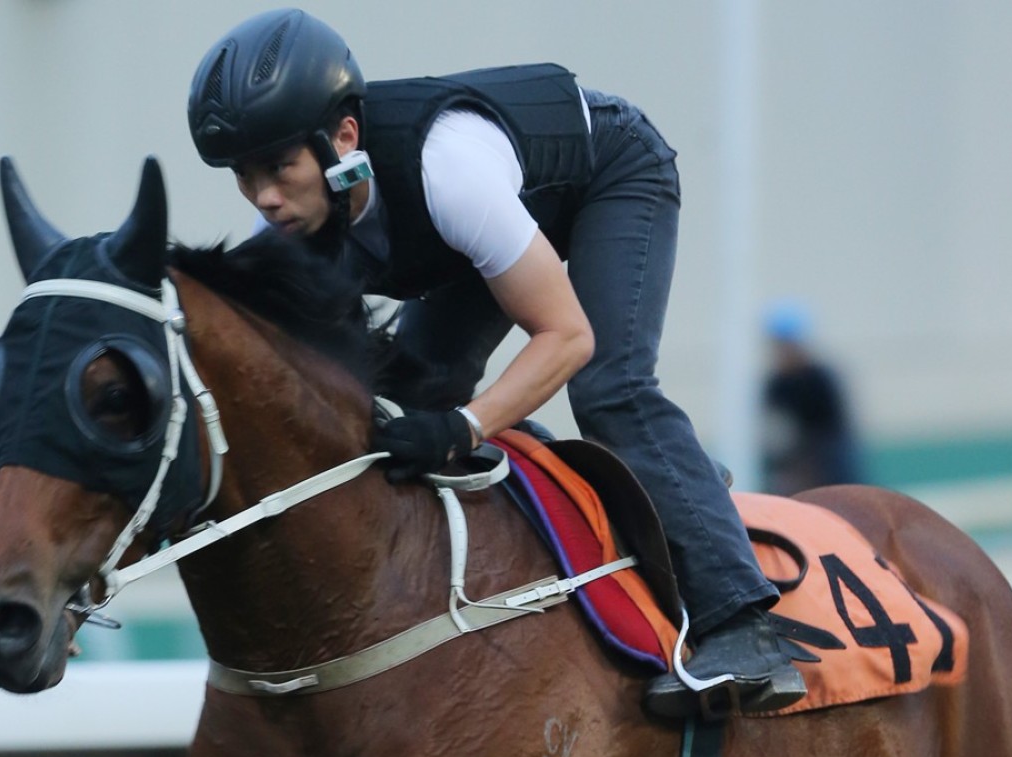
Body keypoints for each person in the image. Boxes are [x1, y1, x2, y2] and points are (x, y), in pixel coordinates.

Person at [186, 8, 803, 718]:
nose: (264, 198)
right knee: (409, 393)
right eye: (244, 174)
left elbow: (567, 337)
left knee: (609, 390)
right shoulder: (296, 220)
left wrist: (465, 430)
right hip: (497, 219)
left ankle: (744, 626)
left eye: (278, 167)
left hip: (609, 174)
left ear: (343, 139)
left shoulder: (447, 170)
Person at [759, 300, 862, 496]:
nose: (782, 352)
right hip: (793, 469)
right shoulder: (776, 384)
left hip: (828, 471)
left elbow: (832, 436)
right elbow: (776, 434)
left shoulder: (820, 380)